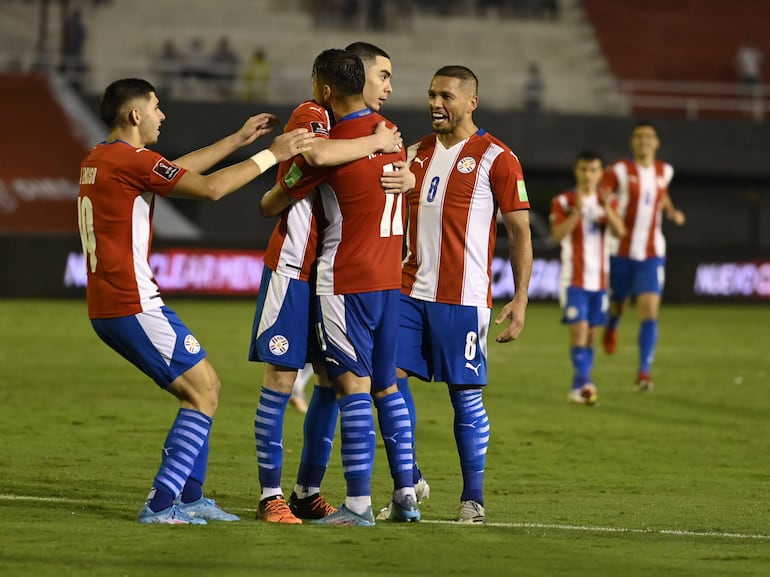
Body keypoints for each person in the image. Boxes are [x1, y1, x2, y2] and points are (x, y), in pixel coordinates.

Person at [77, 77, 313, 525]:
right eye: (156, 107)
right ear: (135, 116)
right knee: (202, 391)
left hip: (117, 303)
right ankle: (163, 503)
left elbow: (173, 171)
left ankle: (190, 497)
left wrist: (237, 141)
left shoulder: (102, 158)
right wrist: (271, 154)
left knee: (208, 387)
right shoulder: (129, 161)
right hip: (131, 303)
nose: (162, 115)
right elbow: (210, 189)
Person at [248, 48, 404, 525]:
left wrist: (404, 166)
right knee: (280, 379)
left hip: (326, 274)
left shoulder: (365, 127)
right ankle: (269, 495)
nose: (387, 87)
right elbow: (308, 163)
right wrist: (377, 143)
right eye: (382, 76)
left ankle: (305, 491)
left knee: (332, 382)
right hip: (293, 268)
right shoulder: (313, 113)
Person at [282, 42, 424, 524]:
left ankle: (359, 503)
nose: (388, 85)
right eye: (382, 75)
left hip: (346, 279)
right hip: (389, 281)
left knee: (352, 389)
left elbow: (301, 169)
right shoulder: (392, 137)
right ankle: (406, 494)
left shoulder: (337, 142)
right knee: (386, 389)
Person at [394, 65, 533, 524]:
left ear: (471, 102)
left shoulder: (498, 157)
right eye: (432, 94)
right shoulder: (412, 153)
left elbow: (520, 233)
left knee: (465, 397)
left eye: (447, 96)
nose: (436, 103)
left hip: (464, 297)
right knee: (384, 380)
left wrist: (521, 298)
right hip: (407, 291)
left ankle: (472, 498)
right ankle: (409, 478)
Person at [601, 121, 686, 391]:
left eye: (649, 136)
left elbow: (662, 195)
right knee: (619, 305)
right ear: (632, 142)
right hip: (620, 251)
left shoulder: (665, 171)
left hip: (652, 253)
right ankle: (612, 324)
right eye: (639, 137)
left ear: (657, 143)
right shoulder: (618, 170)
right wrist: (613, 215)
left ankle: (644, 372)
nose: (644, 141)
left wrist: (672, 211)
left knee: (649, 310)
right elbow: (603, 196)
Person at [550, 150, 625, 406]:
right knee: (579, 331)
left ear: (601, 173)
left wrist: (605, 208)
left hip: (600, 281)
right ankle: (586, 382)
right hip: (574, 279)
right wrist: (577, 212)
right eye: (583, 169)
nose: (588, 175)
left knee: (592, 335)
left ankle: (578, 385)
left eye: (593, 170)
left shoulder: (609, 202)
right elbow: (558, 235)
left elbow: (620, 232)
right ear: (576, 171)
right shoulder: (563, 200)